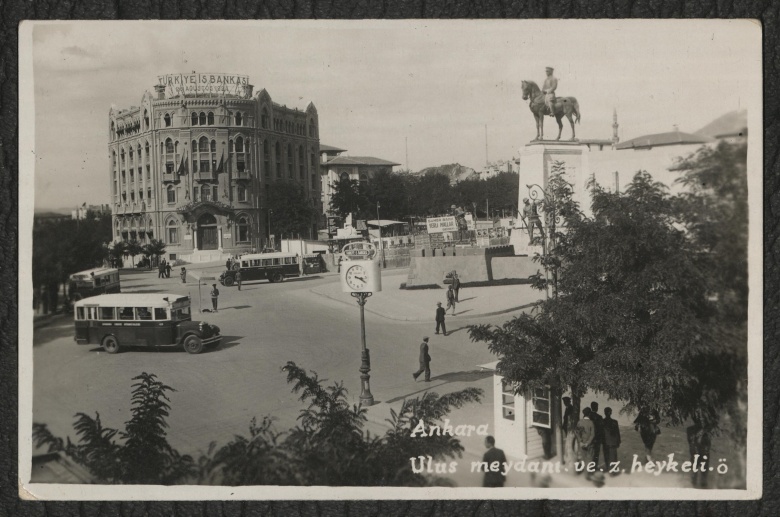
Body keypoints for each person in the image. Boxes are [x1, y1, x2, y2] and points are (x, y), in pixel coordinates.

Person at [687, 416, 712, 488]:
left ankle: (702, 485)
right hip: (696, 453)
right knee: (695, 471)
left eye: (703, 421)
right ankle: (694, 485)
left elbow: (708, 443)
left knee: (703, 472)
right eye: (700, 421)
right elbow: (691, 441)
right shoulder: (691, 430)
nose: (702, 422)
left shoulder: (706, 431)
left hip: (704, 453)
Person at [602, 407, 621, 474]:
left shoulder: (602, 422)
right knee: (613, 457)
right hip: (613, 442)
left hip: (605, 442)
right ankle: (613, 471)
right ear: (611, 413)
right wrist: (618, 441)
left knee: (606, 456)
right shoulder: (615, 422)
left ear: (604, 413)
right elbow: (617, 433)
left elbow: (601, 432)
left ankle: (608, 470)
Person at [589, 401, 604, 469]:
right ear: (596, 408)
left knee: (590, 453)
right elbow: (601, 429)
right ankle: (594, 467)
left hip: (589, 438)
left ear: (591, 407)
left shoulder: (588, 416)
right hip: (597, 438)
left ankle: (590, 467)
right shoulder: (599, 417)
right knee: (596, 454)